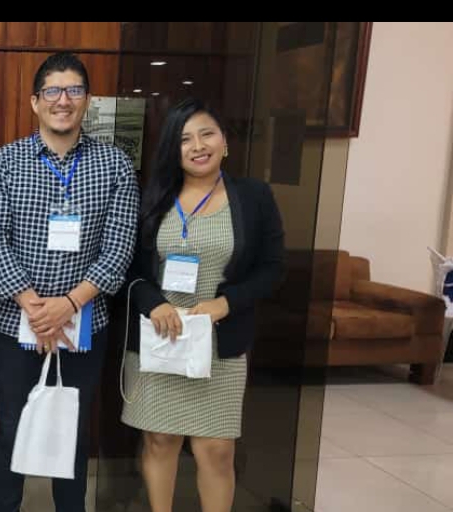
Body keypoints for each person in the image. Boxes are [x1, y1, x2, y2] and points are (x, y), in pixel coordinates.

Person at [0, 52, 140, 512]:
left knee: (73, 431)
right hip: (16, 326)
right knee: (11, 429)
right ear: (35, 101)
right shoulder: (4, 163)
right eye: (52, 90)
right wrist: (36, 308)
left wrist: (66, 305)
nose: (63, 100)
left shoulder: (115, 165)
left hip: (84, 326)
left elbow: (119, 248)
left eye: (73, 90)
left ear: (87, 100)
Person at [121, 97, 285, 512]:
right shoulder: (152, 198)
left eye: (206, 134)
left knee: (216, 449)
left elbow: (273, 268)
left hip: (219, 344)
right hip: (161, 338)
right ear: (172, 150)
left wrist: (226, 303)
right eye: (184, 139)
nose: (197, 146)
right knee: (160, 440)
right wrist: (154, 304)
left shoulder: (253, 197)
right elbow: (130, 269)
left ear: (224, 141)